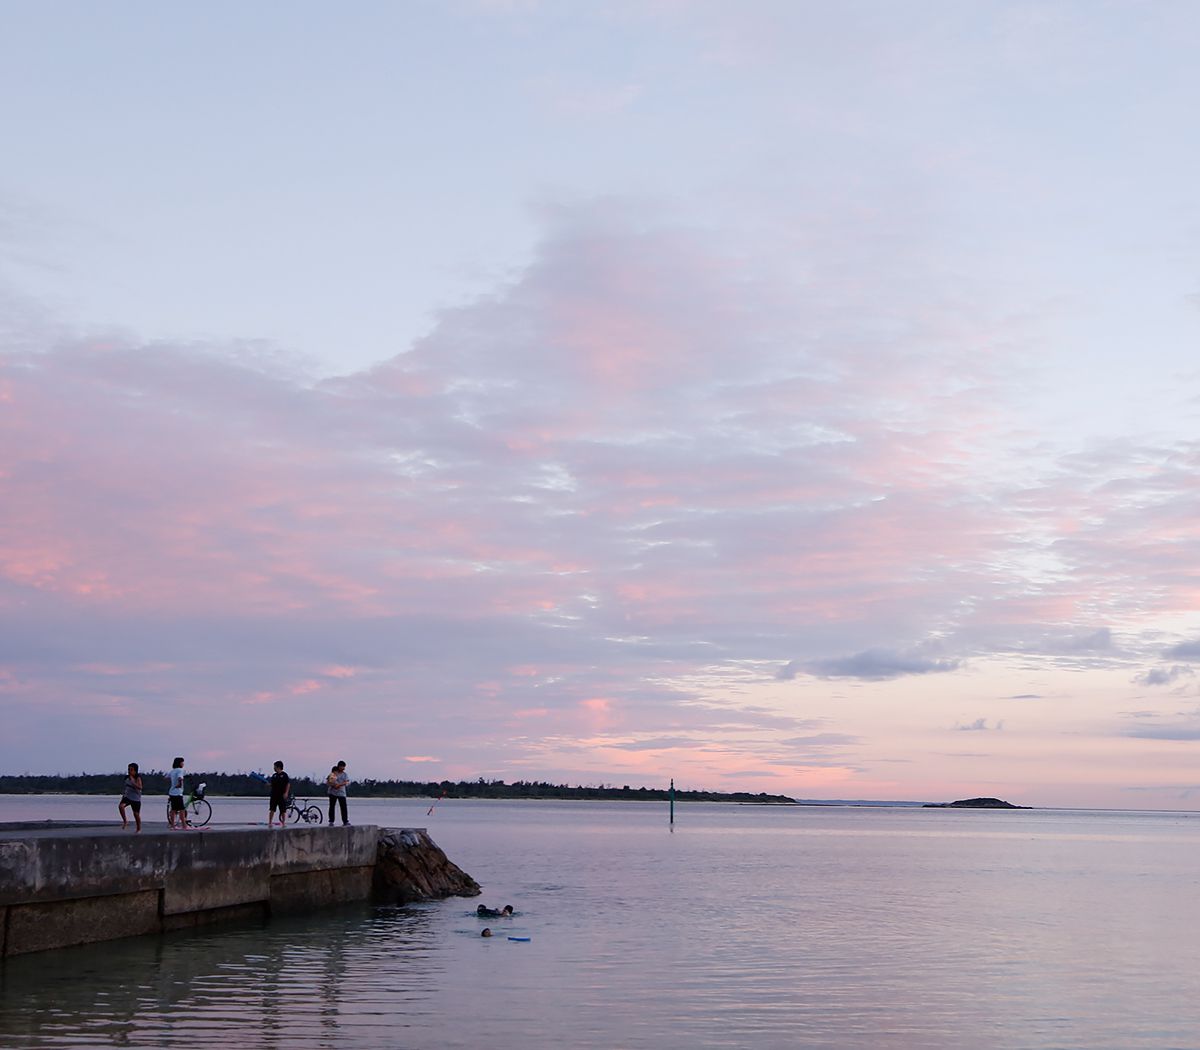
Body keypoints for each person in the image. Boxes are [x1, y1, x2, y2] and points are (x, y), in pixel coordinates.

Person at [118, 762, 143, 832]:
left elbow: (140, 787)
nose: (129, 771)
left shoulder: (138, 777)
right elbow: (125, 788)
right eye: (128, 769)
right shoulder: (126, 778)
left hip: (136, 798)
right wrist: (123, 795)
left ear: (135, 771)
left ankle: (138, 828)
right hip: (128, 797)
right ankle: (125, 821)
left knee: (136, 814)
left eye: (131, 770)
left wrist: (133, 782)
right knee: (121, 806)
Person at [167, 756, 188, 829]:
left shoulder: (173, 771)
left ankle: (172, 825)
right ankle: (184, 825)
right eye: (182, 762)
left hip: (172, 792)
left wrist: (173, 781)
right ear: (180, 763)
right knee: (182, 810)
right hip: (178, 792)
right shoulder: (180, 770)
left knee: (173, 809)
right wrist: (179, 784)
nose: (183, 764)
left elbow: (166, 777)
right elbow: (180, 778)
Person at [268, 760, 290, 828]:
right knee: (272, 809)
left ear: (278, 767)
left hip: (281, 795)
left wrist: (286, 793)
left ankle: (283, 822)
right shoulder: (274, 775)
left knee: (283, 810)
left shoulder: (284, 775)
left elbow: (288, 784)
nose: (274, 768)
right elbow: (272, 784)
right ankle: (270, 822)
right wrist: (268, 785)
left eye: (275, 767)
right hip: (274, 795)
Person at [327, 760, 350, 826]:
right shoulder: (333, 773)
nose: (343, 768)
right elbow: (328, 782)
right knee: (332, 807)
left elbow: (347, 782)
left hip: (341, 793)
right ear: (339, 766)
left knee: (343, 807)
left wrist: (340, 784)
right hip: (332, 793)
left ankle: (345, 821)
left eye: (344, 767)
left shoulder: (345, 774)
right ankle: (331, 821)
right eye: (342, 767)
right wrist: (334, 785)